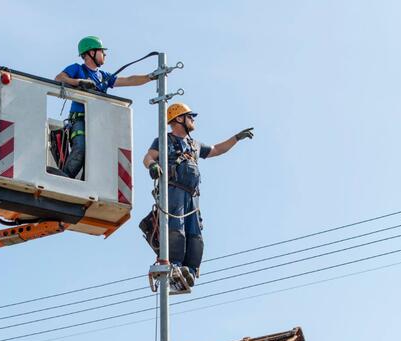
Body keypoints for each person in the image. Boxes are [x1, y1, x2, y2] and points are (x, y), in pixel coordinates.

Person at [142, 102, 253, 287]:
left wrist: (236, 138)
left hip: (192, 196)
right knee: (176, 228)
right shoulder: (164, 140)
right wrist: (152, 166)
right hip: (173, 191)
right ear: (179, 118)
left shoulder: (194, 145)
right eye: (190, 116)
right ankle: (175, 266)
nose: (192, 119)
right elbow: (148, 157)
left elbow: (216, 149)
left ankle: (190, 271)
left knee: (195, 234)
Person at [54, 36, 153, 178]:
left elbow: (129, 80)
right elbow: (59, 78)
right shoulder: (77, 69)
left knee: (96, 156)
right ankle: (65, 178)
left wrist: (151, 76)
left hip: (97, 123)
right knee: (80, 149)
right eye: (102, 51)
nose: (105, 54)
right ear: (91, 53)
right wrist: (79, 82)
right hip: (79, 120)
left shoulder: (103, 76)